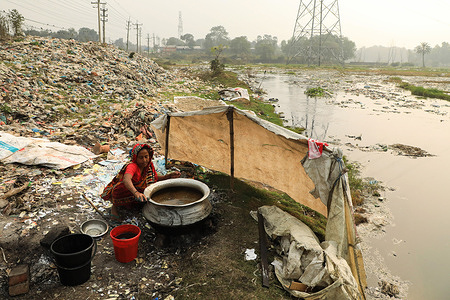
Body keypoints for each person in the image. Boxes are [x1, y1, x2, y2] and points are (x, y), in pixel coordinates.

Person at [101, 143, 180, 219]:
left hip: (136, 190)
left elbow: (154, 178)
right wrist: (136, 193)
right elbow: (126, 179)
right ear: (135, 157)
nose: (144, 160)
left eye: (146, 157)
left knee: (147, 191)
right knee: (128, 190)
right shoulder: (132, 166)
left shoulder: (148, 165)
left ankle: (135, 203)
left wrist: (168, 176)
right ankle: (114, 207)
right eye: (141, 157)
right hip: (122, 191)